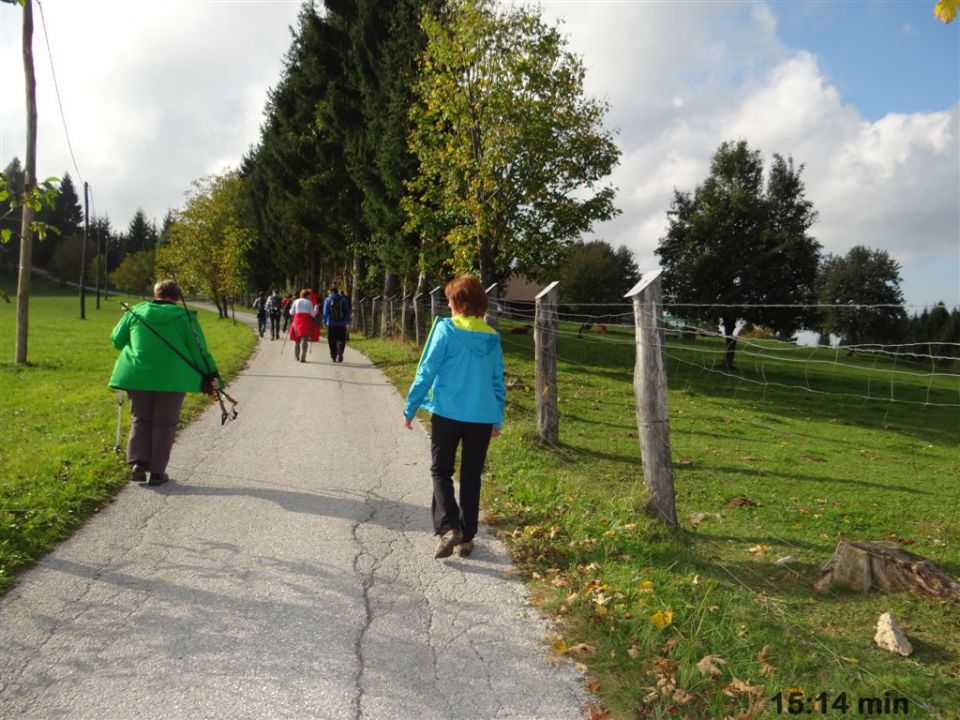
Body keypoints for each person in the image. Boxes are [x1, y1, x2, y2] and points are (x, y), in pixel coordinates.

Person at [403, 275, 506, 559]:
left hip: (448, 414)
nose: (447, 304)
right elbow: (498, 381)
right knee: (471, 476)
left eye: (450, 299)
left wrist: (411, 406)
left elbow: (427, 370)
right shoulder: (491, 337)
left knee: (441, 470)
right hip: (482, 417)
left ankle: (449, 528)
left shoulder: (446, 331)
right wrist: (497, 419)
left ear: (459, 303)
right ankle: (466, 537)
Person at [109, 279, 221, 486]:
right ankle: (158, 473)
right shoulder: (184, 318)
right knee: (164, 424)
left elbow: (116, 340)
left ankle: (138, 464)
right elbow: (199, 350)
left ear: (155, 293)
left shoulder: (134, 313)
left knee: (140, 419)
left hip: (138, 375)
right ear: (177, 298)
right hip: (173, 379)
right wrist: (212, 375)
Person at [288, 289, 319, 362]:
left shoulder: (296, 301)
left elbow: (291, 313)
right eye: (309, 295)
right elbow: (313, 314)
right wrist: (316, 307)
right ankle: (303, 356)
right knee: (304, 340)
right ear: (307, 295)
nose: (310, 297)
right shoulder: (309, 302)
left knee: (296, 340)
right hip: (306, 322)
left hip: (297, 321)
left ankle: (296, 356)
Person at [322, 286, 351, 363]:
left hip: (331, 324)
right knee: (341, 339)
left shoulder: (328, 300)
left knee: (331, 340)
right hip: (342, 324)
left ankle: (333, 356)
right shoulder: (344, 300)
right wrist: (348, 322)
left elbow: (325, 312)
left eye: (329, 292)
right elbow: (347, 312)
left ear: (331, 292)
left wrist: (324, 321)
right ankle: (340, 351)